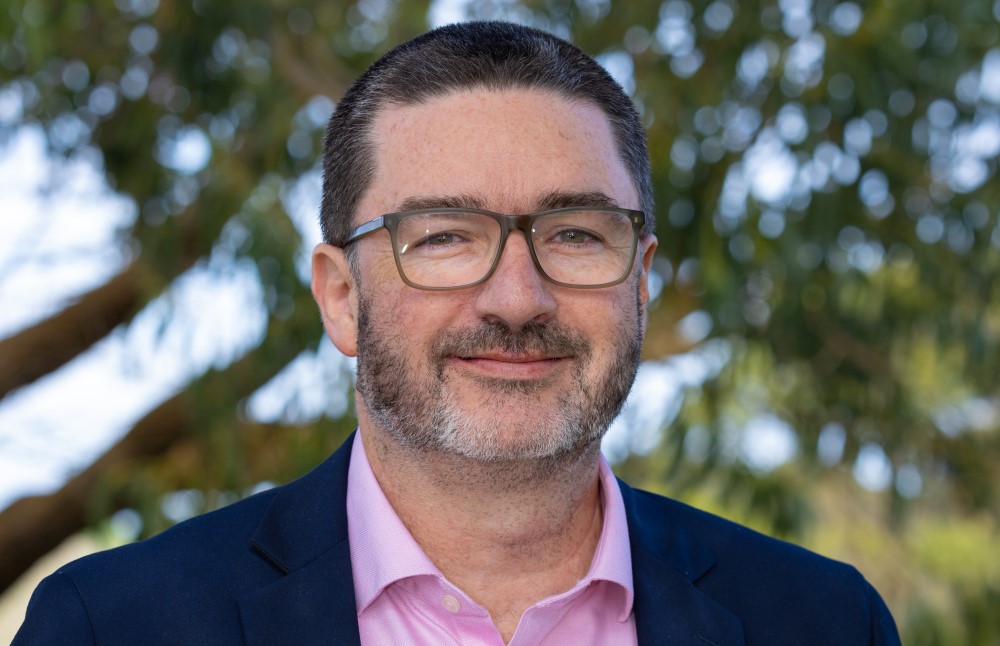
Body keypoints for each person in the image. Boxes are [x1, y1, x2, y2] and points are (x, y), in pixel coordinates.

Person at [15, 21, 900, 645]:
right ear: (339, 297)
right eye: (443, 237)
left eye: (576, 235)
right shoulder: (114, 626)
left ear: (641, 280)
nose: (516, 299)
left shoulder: (823, 622)